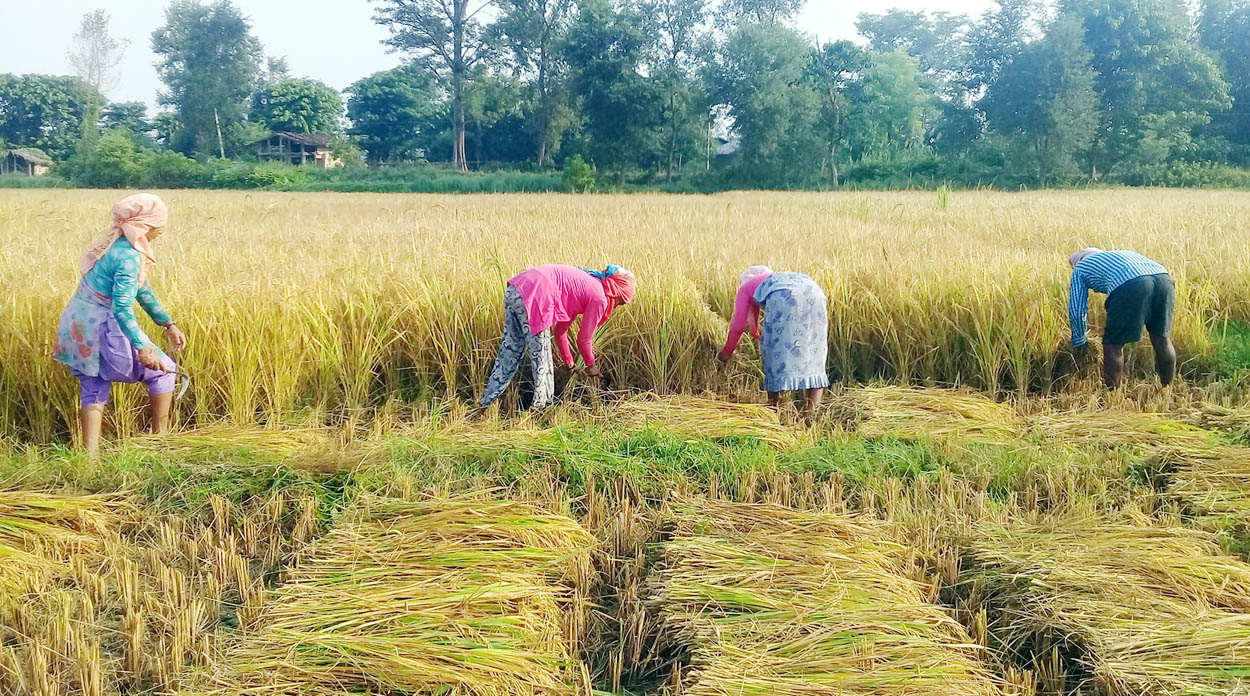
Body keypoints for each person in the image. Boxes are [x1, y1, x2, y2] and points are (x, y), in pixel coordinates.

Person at [55, 193, 186, 456]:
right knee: (164, 370)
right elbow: (122, 307)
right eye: (159, 223)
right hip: (101, 327)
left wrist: (167, 323)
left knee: (93, 385)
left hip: (77, 325)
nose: (162, 229)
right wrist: (142, 347)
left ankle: (90, 459)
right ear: (146, 225)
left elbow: (142, 291)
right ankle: (160, 442)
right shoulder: (128, 256)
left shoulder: (113, 247)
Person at [481, 264, 636, 410]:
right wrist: (592, 366)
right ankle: (540, 410)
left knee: (510, 349)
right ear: (615, 291)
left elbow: (560, 332)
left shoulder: (585, 287)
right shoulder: (599, 298)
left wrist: (569, 363)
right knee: (542, 358)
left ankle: (486, 402)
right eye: (620, 302)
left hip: (516, 290)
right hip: (537, 294)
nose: (615, 306)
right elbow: (584, 340)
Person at [718, 266, 830, 418]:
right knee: (814, 352)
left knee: (774, 350)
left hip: (783, 298)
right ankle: (810, 415)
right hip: (815, 293)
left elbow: (738, 326)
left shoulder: (746, 288)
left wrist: (725, 354)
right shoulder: (778, 278)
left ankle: (774, 408)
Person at [1067, 247, 1176, 389]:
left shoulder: (1080, 268)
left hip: (1132, 284)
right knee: (1162, 339)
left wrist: (1079, 342)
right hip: (1165, 280)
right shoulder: (1117, 256)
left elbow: (1077, 310)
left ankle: (1112, 394)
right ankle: (1167, 389)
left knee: (1113, 345)